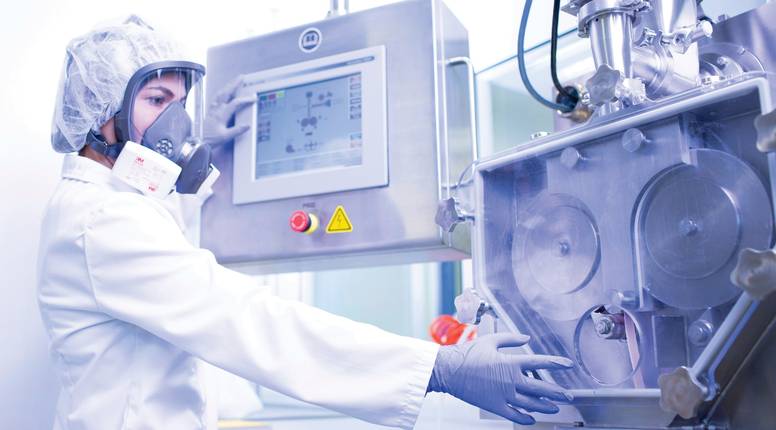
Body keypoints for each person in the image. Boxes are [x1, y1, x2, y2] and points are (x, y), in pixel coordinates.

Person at [38, 16, 574, 430]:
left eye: (180, 104)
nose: (174, 123)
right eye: (157, 100)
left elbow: (170, 251)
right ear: (101, 113)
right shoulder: (101, 219)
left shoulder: (116, 207)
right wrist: (437, 367)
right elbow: (240, 316)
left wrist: (213, 150)